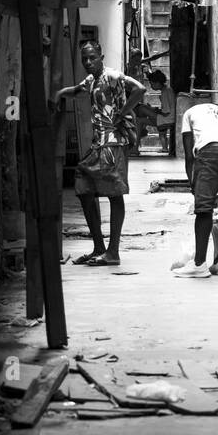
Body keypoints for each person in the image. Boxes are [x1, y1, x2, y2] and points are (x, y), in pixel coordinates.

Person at [53, 42, 145, 267]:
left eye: (92, 58)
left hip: (113, 143)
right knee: (84, 188)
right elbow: (76, 91)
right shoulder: (91, 80)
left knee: (114, 193)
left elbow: (140, 89)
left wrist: (122, 112)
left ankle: (113, 252)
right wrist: (58, 94)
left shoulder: (112, 75)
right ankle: (99, 247)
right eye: (84, 59)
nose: (88, 62)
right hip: (98, 144)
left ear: (101, 56)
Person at [174, 101, 218, 278]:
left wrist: (193, 182)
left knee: (203, 208)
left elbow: (189, 155)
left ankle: (199, 264)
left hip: (210, 151)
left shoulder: (190, 112)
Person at [147, 69, 176, 154]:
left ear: (157, 83)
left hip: (168, 118)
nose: (151, 86)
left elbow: (166, 112)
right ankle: (165, 148)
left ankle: (164, 148)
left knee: (162, 134)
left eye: (151, 83)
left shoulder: (166, 91)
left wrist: (156, 110)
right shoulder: (167, 89)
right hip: (169, 116)